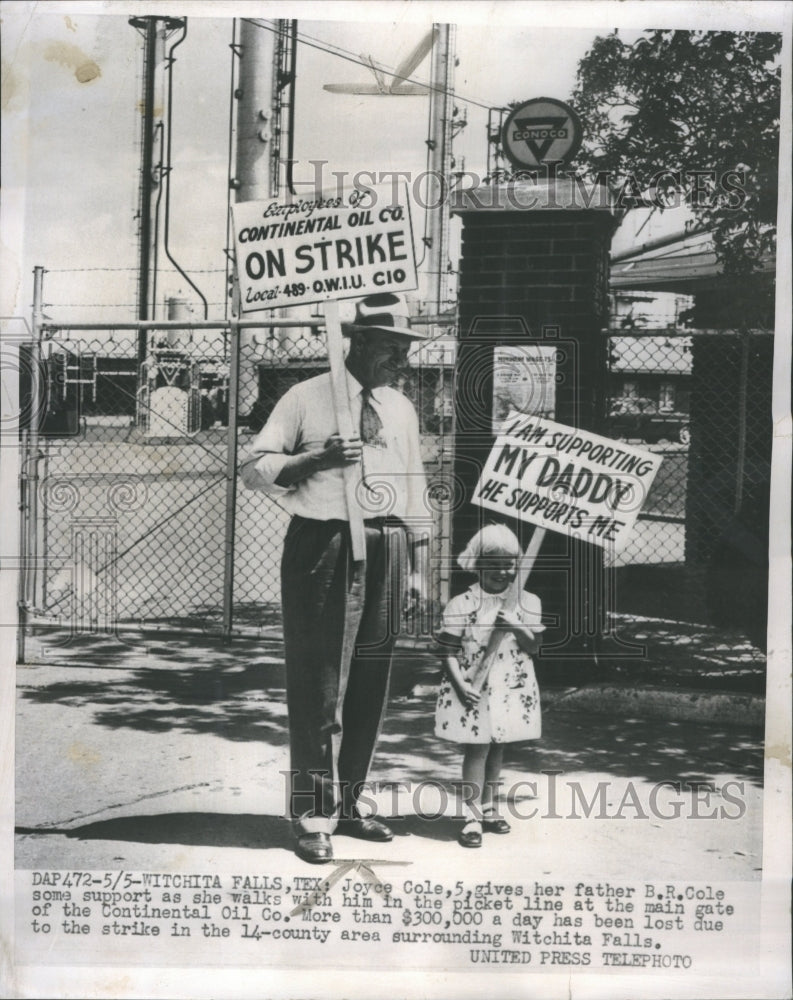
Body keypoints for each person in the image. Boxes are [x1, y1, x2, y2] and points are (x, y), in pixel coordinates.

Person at [240, 293, 430, 864]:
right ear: (359, 342)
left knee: (373, 678)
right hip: (323, 544)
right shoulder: (305, 397)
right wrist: (315, 461)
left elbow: (415, 484)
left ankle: (350, 801)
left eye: (405, 351)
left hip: (388, 541)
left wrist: (417, 567)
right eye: (392, 350)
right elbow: (255, 468)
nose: (402, 362)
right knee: (320, 681)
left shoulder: (400, 407)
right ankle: (311, 812)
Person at [435, 524, 544, 848]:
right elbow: (447, 650)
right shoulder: (462, 603)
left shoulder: (527, 601)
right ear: (477, 563)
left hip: (510, 688)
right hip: (474, 687)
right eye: (493, 563)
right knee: (477, 747)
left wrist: (515, 625)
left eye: (509, 564)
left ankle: (489, 806)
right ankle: (471, 816)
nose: (502, 571)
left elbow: (534, 646)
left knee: (498, 745)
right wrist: (460, 685)